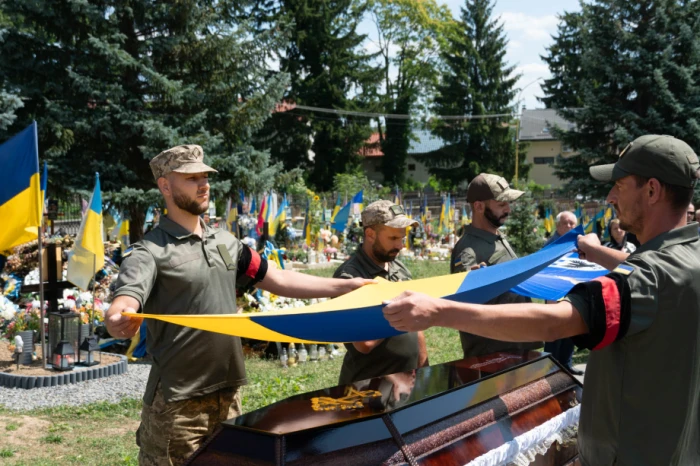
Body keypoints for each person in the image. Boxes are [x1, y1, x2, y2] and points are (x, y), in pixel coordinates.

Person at [383, 134, 700, 466]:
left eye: (619, 185)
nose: (610, 197)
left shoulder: (644, 278)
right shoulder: (685, 257)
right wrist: (593, 251)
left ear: (652, 190)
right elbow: (650, 271)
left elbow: (555, 322)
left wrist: (437, 310)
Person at [104, 145, 374, 466]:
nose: (203, 184)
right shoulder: (149, 251)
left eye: (205, 176)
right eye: (191, 178)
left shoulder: (225, 242)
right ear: (165, 185)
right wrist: (119, 315)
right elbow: (127, 296)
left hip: (229, 395)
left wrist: (347, 286)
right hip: (177, 407)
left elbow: (277, 280)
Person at [333, 200, 429, 384]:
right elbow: (364, 343)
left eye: (401, 238)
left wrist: (424, 367)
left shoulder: (397, 267)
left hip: (406, 382)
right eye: (393, 239)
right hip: (368, 388)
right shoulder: (349, 278)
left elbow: (416, 327)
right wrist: (398, 303)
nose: (400, 246)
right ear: (370, 234)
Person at [450, 173, 541, 358]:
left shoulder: (494, 236)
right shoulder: (468, 251)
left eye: (508, 203)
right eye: (501, 204)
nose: (508, 209)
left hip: (516, 345)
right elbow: (464, 306)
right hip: (493, 354)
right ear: (479, 206)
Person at [543, 210, 582, 375]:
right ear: (557, 225)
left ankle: (566, 364)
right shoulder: (550, 245)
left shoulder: (578, 243)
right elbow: (544, 271)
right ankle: (550, 367)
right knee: (554, 331)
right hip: (554, 291)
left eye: (572, 223)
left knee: (570, 329)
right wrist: (550, 296)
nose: (569, 226)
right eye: (565, 223)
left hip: (573, 290)